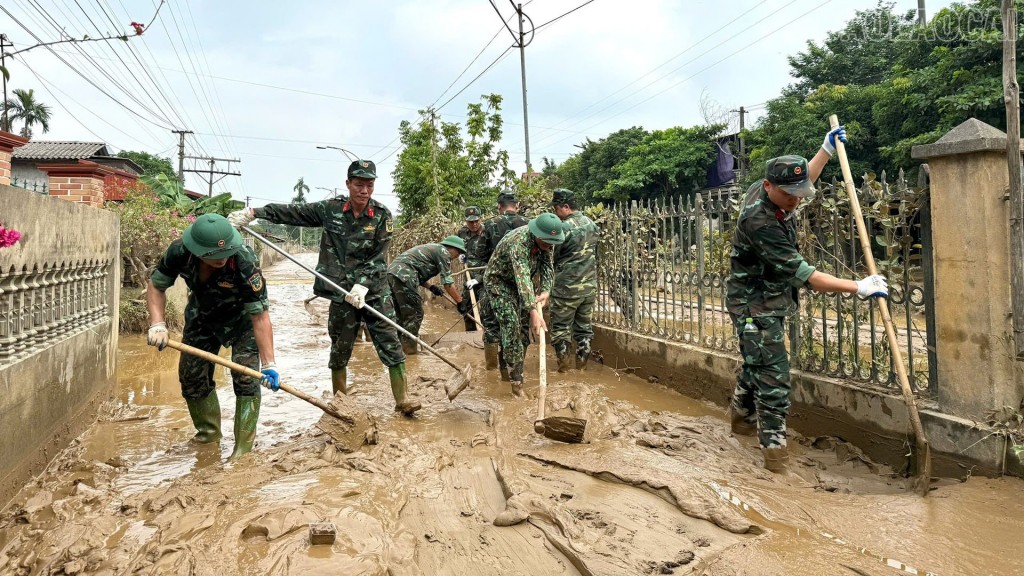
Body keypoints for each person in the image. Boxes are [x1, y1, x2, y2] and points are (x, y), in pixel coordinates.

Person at [725, 126, 888, 473]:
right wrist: (858, 287)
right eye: (789, 195)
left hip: (772, 298)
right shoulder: (760, 222)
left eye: (799, 193)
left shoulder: (773, 188)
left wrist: (825, 150)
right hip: (753, 306)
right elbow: (810, 278)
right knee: (775, 380)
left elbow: (804, 178)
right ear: (768, 187)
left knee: (760, 362)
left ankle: (739, 417)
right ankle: (775, 458)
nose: (796, 201)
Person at [227, 159, 421, 416]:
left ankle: (402, 399)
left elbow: (378, 258)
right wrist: (254, 213)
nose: (364, 190)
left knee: (391, 344)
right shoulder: (331, 209)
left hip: (374, 293)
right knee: (340, 350)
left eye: (369, 185)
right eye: (359, 184)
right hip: (340, 293)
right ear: (348, 184)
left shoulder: (383, 215)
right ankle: (341, 404)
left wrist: (361, 286)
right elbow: (294, 213)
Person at [145, 214, 280, 461]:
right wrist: (158, 324)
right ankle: (208, 435)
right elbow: (156, 286)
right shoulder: (179, 252)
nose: (221, 259)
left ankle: (243, 450)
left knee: (246, 377)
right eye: (213, 255)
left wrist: (269, 365)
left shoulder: (244, 261)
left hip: (242, 322)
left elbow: (260, 317)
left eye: (225, 253)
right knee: (191, 376)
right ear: (196, 250)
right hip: (202, 316)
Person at [482, 213, 565, 396]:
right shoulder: (519, 242)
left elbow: (546, 267)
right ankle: (516, 385)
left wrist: (545, 291)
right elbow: (523, 277)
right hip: (500, 282)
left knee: (523, 331)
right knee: (511, 324)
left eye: (552, 242)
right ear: (537, 233)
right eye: (546, 241)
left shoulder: (547, 242)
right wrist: (533, 311)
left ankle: (508, 370)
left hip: (521, 285)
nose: (549, 245)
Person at [474, 190, 529, 376]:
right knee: (519, 328)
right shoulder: (529, 225)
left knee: (491, 326)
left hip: (494, 282)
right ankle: (510, 373)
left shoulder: (489, 224)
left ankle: (490, 370)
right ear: (518, 205)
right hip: (521, 285)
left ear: (499, 206)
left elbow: (480, 255)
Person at [387, 236, 469, 354]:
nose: (457, 256)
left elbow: (416, 271)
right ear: (451, 247)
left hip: (393, 274)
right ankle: (410, 351)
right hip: (404, 275)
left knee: (403, 315)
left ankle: (399, 350)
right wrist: (460, 302)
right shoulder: (443, 252)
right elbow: (448, 282)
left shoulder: (433, 250)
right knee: (415, 313)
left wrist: (431, 287)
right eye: (459, 251)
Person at [550, 189, 599, 372]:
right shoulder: (592, 224)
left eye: (556, 208)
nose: (555, 212)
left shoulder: (563, 228)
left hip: (566, 289)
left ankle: (564, 370)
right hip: (588, 288)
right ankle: (581, 369)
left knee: (561, 329)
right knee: (584, 330)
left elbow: (553, 257)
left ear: (566, 206)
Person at [457, 206, 485, 331]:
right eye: (470, 222)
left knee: (486, 310)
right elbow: (457, 247)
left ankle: (488, 338)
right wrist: (460, 255)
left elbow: (493, 261)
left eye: (476, 221)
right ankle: (470, 336)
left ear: (480, 219)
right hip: (468, 275)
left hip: (485, 277)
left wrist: (478, 279)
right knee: (467, 309)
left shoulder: (488, 233)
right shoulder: (462, 232)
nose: (474, 224)